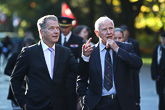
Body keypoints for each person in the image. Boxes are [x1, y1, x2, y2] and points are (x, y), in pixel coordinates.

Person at [10, 15, 82, 110]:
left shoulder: (65, 52)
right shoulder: (29, 52)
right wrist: (23, 103)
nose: (56, 31)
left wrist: (85, 57)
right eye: (51, 28)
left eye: (57, 28)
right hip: (35, 106)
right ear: (41, 32)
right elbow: (15, 79)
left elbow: (80, 71)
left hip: (60, 106)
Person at [77, 16, 143, 110]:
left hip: (122, 104)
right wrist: (84, 99)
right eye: (104, 29)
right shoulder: (91, 52)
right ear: (97, 33)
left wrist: (117, 49)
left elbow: (138, 63)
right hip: (98, 104)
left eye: (111, 28)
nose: (109, 32)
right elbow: (81, 79)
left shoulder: (125, 48)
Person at [57, 16, 84, 110]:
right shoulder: (55, 38)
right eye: (62, 27)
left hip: (71, 78)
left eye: (66, 27)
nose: (63, 29)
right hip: (57, 77)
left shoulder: (78, 40)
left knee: (70, 105)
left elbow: (81, 59)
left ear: (71, 27)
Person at [4, 36, 36, 110]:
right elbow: (7, 70)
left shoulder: (37, 56)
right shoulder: (15, 55)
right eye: (27, 48)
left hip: (31, 92)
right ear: (23, 47)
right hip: (16, 91)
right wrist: (19, 75)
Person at [114, 27, 141, 110]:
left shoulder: (129, 50)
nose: (117, 40)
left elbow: (135, 78)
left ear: (124, 38)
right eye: (115, 38)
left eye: (120, 38)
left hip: (128, 95)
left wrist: (137, 98)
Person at [151, 31, 165, 110]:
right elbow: (154, 63)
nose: (163, 40)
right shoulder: (158, 49)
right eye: (162, 38)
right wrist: (155, 75)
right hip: (160, 77)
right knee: (161, 96)